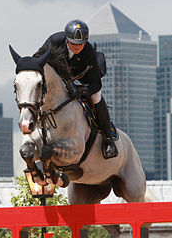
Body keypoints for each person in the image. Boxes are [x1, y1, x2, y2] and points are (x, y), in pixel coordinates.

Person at [36, 19, 118, 159]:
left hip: (82, 79)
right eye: (74, 43)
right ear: (67, 40)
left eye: (81, 44)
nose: (78, 47)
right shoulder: (55, 40)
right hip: (58, 78)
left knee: (96, 96)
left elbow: (96, 84)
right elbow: (38, 58)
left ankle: (108, 138)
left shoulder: (88, 52)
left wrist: (82, 91)